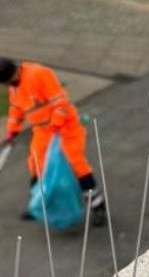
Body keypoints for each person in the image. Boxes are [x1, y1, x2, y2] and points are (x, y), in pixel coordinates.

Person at [0, 57, 106, 225]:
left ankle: (98, 207)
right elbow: (17, 108)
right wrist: (12, 132)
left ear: (11, 75)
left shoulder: (39, 74)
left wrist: (56, 126)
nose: (6, 87)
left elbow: (60, 102)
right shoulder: (15, 85)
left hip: (65, 128)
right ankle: (38, 205)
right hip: (43, 131)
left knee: (77, 165)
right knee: (36, 166)